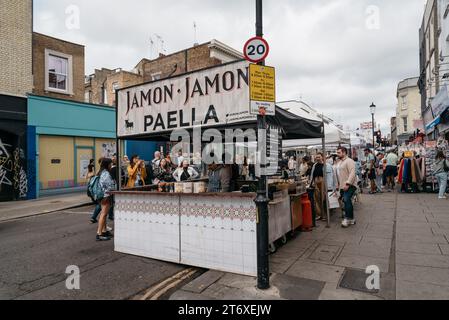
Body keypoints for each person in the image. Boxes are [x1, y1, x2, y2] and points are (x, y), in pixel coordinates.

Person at [336, 147, 357, 228]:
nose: (337, 154)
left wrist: (348, 183)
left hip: (349, 185)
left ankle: (347, 218)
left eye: (339, 152)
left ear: (344, 152)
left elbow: (352, 173)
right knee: (346, 201)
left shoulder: (349, 161)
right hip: (342, 185)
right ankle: (351, 219)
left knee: (346, 199)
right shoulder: (340, 162)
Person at [309, 152, 334, 221]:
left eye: (319, 157)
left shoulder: (326, 165)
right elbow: (312, 174)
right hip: (316, 183)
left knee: (323, 199)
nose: (317, 158)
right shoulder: (315, 165)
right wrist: (311, 182)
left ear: (322, 157)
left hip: (323, 183)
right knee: (316, 199)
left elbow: (330, 176)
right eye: (316, 157)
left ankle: (324, 215)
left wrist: (330, 186)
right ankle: (319, 214)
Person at [96, 158, 116, 241]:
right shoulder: (106, 173)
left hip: (102, 195)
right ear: (107, 165)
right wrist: (114, 184)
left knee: (103, 214)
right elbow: (109, 186)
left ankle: (104, 231)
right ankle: (99, 233)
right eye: (110, 164)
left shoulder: (101, 172)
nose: (111, 165)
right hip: (106, 195)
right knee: (103, 214)